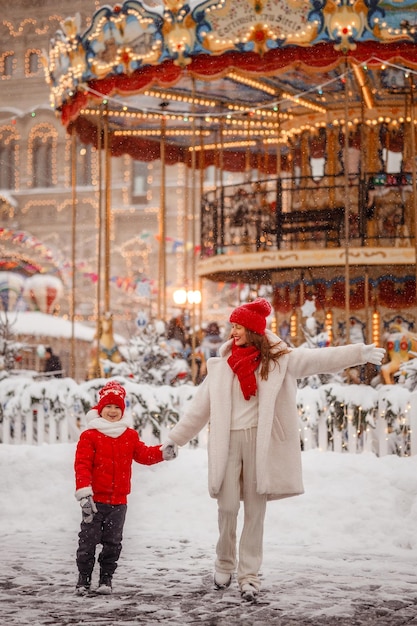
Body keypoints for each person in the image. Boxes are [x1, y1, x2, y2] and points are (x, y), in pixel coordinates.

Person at [162, 298, 385, 602]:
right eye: (233, 326)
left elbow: (319, 359)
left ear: (253, 330)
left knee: (255, 511)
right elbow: (198, 410)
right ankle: (224, 562)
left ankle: (249, 575)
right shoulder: (220, 368)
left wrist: (358, 353)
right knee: (227, 507)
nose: (233, 332)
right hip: (228, 443)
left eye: (239, 326)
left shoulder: (280, 361)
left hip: (261, 443)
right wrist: (175, 439)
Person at [74, 380, 177, 595]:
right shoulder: (90, 435)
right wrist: (84, 493)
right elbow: (82, 465)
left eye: (117, 407)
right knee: (87, 543)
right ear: (100, 409)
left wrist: (162, 452)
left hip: (119, 502)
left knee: (113, 544)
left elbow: (144, 454)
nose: (112, 411)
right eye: (108, 407)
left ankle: (105, 579)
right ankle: (83, 580)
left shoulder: (129, 435)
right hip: (93, 502)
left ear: (123, 410)